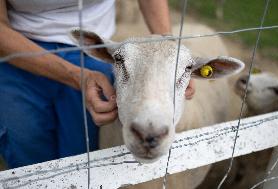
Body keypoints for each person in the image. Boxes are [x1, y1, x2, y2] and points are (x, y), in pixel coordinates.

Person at [0, 0, 195, 169]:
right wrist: (77, 76)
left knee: (84, 161)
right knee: (29, 159)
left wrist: (171, 54)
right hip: (17, 53)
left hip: (93, 50)